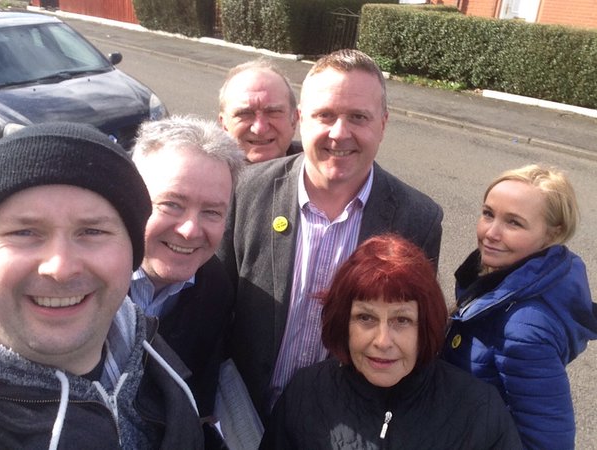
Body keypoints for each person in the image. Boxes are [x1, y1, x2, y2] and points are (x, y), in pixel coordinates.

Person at [218, 49, 443, 419]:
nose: (340, 133)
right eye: (325, 115)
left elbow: (408, 341)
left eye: (358, 117)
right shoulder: (245, 192)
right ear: (301, 118)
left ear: (383, 124)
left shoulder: (417, 219)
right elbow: (211, 312)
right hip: (243, 416)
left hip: (340, 425)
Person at [0, 122, 204, 449]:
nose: (61, 268)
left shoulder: (145, 348)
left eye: (92, 232)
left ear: (133, 253)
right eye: (24, 233)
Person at [260, 234, 522, 449]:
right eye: (365, 317)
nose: (383, 341)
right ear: (343, 322)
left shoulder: (479, 410)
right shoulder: (306, 393)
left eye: (402, 320)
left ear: (426, 324)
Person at [442, 164, 597, 450]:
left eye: (514, 223)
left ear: (553, 233)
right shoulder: (495, 279)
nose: (491, 232)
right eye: (488, 214)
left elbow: (548, 441)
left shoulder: (524, 324)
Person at [130, 116, 244, 422]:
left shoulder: (216, 287)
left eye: (212, 212)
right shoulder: (79, 283)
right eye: (171, 204)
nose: (190, 230)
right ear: (130, 198)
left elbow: (198, 397)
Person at [218, 58, 301, 162]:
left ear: (294, 119)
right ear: (224, 124)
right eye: (244, 114)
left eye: (273, 112)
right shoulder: (203, 175)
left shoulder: (319, 171)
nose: (260, 129)